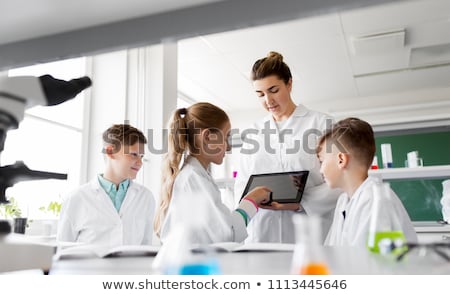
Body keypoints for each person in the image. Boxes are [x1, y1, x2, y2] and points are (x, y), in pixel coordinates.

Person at [234, 51, 341, 243]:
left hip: (310, 234)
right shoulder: (253, 132)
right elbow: (242, 184)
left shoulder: (321, 124)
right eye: (260, 94)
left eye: (274, 90)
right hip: (263, 234)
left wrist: (299, 202)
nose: (268, 101)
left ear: (289, 84)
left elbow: (340, 181)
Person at [153, 102, 271, 244]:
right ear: (208, 136)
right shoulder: (194, 178)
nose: (228, 146)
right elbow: (227, 235)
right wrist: (251, 201)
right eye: (226, 137)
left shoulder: (195, 175)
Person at [316, 117, 417, 246]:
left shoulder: (375, 200)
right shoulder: (344, 201)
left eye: (322, 161)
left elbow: (368, 261)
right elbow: (330, 251)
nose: (321, 170)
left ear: (341, 160)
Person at [57, 123, 156, 246]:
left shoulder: (145, 197)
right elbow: (62, 248)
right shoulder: (77, 198)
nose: (140, 162)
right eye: (134, 154)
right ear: (110, 152)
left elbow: (145, 246)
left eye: (141, 156)